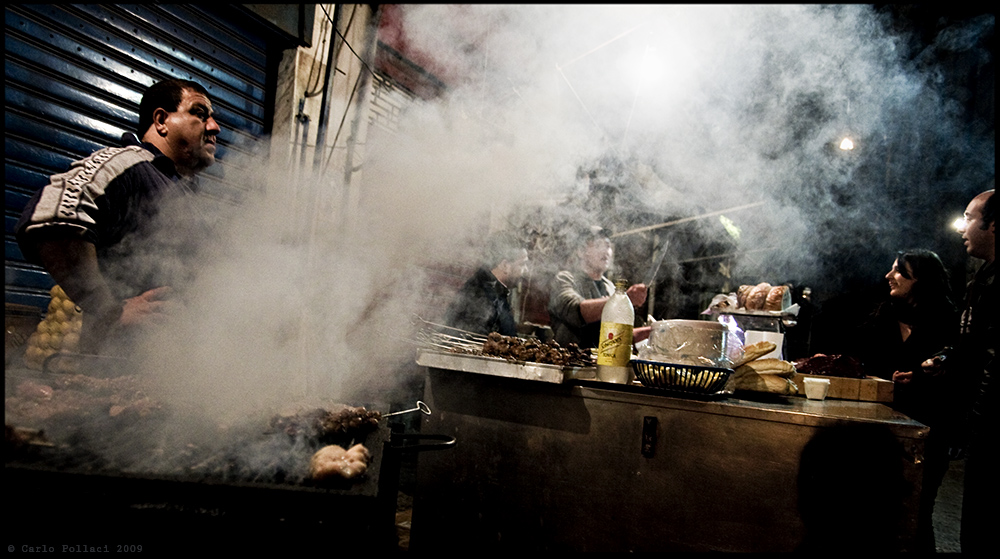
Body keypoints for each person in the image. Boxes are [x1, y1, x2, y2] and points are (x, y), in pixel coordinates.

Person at [16, 78, 221, 354]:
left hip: (169, 376)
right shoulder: (129, 164)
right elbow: (53, 219)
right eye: (199, 113)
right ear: (161, 120)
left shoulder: (185, 193)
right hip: (114, 374)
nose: (214, 127)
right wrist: (107, 312)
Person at [856, 249, 959, 552]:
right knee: (877, 510)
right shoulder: (883, 315)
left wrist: (925, 377)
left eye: (900, 272)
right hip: (881, 430)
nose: (889, 276)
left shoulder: (948, 320)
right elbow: (866, 364)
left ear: (922, 281)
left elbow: (959, 374)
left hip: (927, 432)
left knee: (918, 510)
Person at [927, 189, 995, 554]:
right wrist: (945, 359)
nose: (962, 227)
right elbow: (972, 345)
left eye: (969, 217)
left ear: (994, 224)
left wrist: (973, 425)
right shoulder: (982, 278)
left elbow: (992, 360)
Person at [547, 226, 650, 349]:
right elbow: (575, 310)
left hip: (603, 363)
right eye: (598, 245)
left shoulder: (610, 287)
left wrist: (654, 330)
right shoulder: (565, 279)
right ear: (581, 251)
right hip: (570, 362)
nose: (606, 251)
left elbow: (618, 336)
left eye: (608, 246)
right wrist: (623, 299)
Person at [443, 232, 529, 337]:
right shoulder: (480, 296)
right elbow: (475, 344)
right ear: (505, 265)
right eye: (522, 264)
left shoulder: (494, 290)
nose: (526, 271)